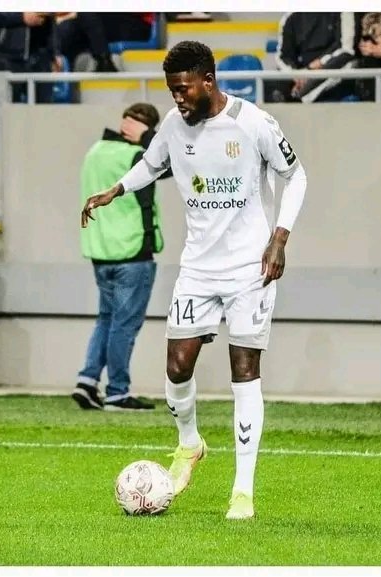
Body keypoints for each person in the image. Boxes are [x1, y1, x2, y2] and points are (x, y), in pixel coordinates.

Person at [81, 41, 308, 519]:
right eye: (172, 90)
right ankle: (190, 443)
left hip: (250, 269)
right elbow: (151, 164)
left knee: (244, 371)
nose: (178, 98)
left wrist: (279, 239)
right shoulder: (172, 124)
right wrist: (115, 190)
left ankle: (242, 491)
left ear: (208, 80)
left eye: (184, 89)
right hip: (198, 269)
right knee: (177, 366)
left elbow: (297, 176)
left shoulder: (253, 122)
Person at [73, 102, 171, 412]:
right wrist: (149, 138)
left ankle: (87, 381)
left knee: (106, 319)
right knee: (124, 325)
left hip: (101, 251)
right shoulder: (136, 155)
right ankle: (117, 392)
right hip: (132, 252)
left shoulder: (95, 151)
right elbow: (170, 164)